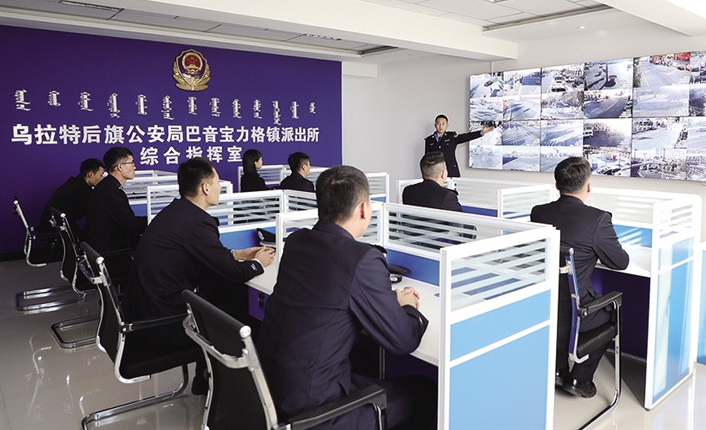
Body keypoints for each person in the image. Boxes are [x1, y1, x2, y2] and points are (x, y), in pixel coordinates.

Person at [257, 166, 436, 429]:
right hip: (314, 408)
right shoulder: (362, 259)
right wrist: (407, 307)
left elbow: (330, 295)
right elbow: (404, 340)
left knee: (365, 360)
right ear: (363, 209)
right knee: (424, 390)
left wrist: (386, 302)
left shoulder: (296, 242)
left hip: (269, 388)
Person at [124, 157, 275, 394]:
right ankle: (239, 393)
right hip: (164, 323)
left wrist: (238, 254)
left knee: (221, 295)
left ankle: (205, 379)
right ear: (205, 187)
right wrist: (259, 263)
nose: (220, 187)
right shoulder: (198, 222)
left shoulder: (177, 212)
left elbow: (202, 253)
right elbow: (235, 274)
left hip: (144, 310)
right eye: (217, 182)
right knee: (246, 317)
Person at [530, 156, 629, 398]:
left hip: (542, 309)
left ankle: (558, 369)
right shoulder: (597, 219)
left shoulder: (538, 213)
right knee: (614, 314)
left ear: (557, 185)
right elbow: (620, 262)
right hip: (577, 317)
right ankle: (579, 379)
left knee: (563, 305)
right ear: (588, 187)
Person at [84, 147, 147, 253]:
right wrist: (156, 219)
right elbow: (134, 226)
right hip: (109, 252)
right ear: (120, 167)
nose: (134, 167)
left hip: (98, 247)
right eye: (131, 163)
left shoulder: (106, 186)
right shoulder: (113, 193)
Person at [39, 158, 105, 238]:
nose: (101, 179)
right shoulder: (82, 191)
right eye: (101, 175)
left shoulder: (75, 183)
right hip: (56, 231)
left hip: (52, 227)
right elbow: (98, 209)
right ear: (90, 174)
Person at [424, 114, 494, 177]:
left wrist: (481, 132)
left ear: (447, 125)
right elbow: (427, 159)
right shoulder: (429, 140)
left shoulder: (451, 137)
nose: (440, 126)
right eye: (438, 124)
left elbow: (466, 137)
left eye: (443, 124)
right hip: (436, 173)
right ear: (435, 125)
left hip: (451, 171)